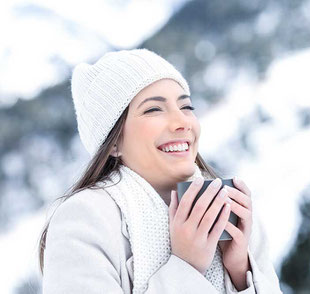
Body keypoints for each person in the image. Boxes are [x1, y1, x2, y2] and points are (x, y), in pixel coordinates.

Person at [38, 48, 283, 293]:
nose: (182, 122)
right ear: (113, 142)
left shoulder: (227, 207)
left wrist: (240, 273)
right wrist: (186, 267)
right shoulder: (86, 219)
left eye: (186, 107)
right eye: (153, 109)